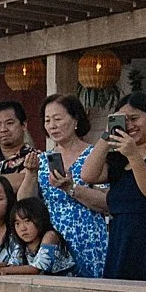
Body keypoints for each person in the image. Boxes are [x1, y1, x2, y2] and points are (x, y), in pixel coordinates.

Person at [80, 92, 146, 281]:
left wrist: (134, 156)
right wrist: (107, 134)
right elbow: (87, 175)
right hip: (120, 237)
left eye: (134, 119)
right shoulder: (120, 156)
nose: (130, 125)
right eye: (124, 121)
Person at [36, 93, 109, 278]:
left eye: (57, 119)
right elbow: (30, 202)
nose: (52, 125)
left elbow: (107, 202)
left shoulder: (94, 155)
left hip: (89, 238)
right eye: (47, 120)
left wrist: (71, 188)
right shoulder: (42, 159)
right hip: (54, 240)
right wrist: (29, 173)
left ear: (75, 119)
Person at [0, 195, 78, 276]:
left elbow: (36, 269)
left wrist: (4, 270)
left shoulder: (50, 236)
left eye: (27, 221)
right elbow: (13, 265)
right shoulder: (21, 242)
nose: (22, 228)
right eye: (17, 223)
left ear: (40, 219)